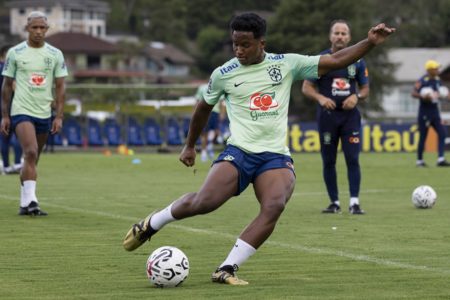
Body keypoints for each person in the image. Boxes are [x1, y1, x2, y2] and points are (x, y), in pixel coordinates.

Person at [123, 13, 394, 285]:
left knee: (274, 205)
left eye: (245, 44)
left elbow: (335, 60)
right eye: (235, 44)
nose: (239, 50)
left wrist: (369, 42)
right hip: (239, 152)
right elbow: (203, 109)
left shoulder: (286, 64)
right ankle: (152, 224)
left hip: (275, 156)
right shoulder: (223, 74)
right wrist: (190, 145)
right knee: (204, 203)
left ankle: (226, 268)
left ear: (261, 43)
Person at [0, 11, 68, 216]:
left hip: (44, 112)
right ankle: (32, 202)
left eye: (42, 28)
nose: (38, 31)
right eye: (34, 27)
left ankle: (24, 203)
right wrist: (5, 115)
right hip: (21, 110)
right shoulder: (15, 53)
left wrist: (59, 115)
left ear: (47, 29)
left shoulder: (55, 54)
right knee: (29, 152)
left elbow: (60, 86)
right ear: (27, 29)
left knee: (33, 159)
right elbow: (5, 86)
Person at [302, 20, 368, 215]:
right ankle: (335, 202)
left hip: (350, 118)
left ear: (349, 38)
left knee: (352, 158)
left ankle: (354, 203)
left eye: (344, 33)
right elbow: (306, 87)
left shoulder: (358, 61)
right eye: (336, 33)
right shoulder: (321, 60)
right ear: (330, 36)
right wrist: (320, 98)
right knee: (329, 161)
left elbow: (365, 88)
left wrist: (357, 96)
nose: (340, 36)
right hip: (327, 117)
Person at [412, 59, 450, 167]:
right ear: (429, 70)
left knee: (442, 133)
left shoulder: (438, 80)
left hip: (435, 112)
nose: (438, 70)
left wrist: (446, 96)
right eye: (435, 68)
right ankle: (419, 161)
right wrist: (423, 96)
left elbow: (441, 93)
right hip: (425, 112)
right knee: (423, 137)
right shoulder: (423, 80)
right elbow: (413, 93)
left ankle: (441, 159)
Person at [0, 45, 23, 175]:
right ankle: (18, 163)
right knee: (18, 136)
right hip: (13, 106)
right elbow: (14, 87)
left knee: (4, 138)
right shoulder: (9, 69)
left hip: (2, 107)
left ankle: (7, 166)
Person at [195, 83, 226, 162]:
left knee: (216, 132)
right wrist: (196, 114)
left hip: (215, 113)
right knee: (204, 134)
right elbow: (198, 101)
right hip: (205, 113)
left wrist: (222, 114)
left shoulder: (218, 87)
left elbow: (222, 102)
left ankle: (210, 145)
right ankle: (204, 152)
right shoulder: (202, 87)